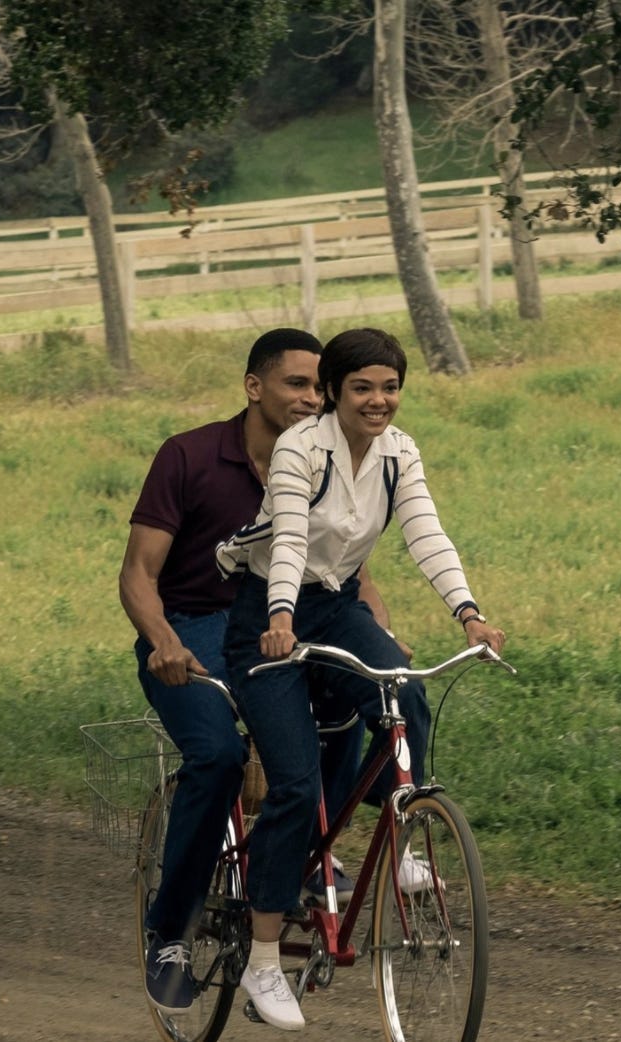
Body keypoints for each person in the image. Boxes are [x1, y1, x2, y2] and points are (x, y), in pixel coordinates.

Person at [217, 326, 506, 1031]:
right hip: (268, 615)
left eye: (390, 387)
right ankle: (262, 961)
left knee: (408, 693)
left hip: (337, 606)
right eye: (363, 388)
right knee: (292, 782)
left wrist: (469, 613)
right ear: (334, 394)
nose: (379, 401)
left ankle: (404, 833)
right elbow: (287, 538)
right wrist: (280, 615)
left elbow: (425, 533)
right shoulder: (300, 448)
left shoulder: (399, 454)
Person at [119, 328, 393, 1017]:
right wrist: (162, 642)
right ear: (254, 387)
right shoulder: (188, 457)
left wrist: (383, 639)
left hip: (291, 624)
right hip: (192, 631)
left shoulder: (332, 458)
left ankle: (299, 855)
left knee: (353, 704)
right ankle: (170, 931)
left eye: (318, 387)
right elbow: (137, 575)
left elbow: (350, 571)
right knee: (215, 757)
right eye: (296, 385)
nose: (311, 398)